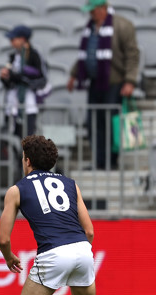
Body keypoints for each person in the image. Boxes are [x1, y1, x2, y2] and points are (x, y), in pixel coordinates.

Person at [0, 135, 124, 295]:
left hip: (54, 253)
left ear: (27, 160)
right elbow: (89, 231)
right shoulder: (70, 184)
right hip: (82, 250)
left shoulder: (17, 189)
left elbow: (3, 239)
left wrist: (9, 257)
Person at [67, 0, 140, 170]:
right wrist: (74, 74)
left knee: (110, 124)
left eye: (93, 10)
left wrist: (130, 80)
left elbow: (132, 55)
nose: (90, 14)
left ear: (102, 8)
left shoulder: (122, 26)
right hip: (95, 83)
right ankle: (99, 161)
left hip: (114, 83)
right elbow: (86, 55)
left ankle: (111, 161)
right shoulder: (90, 27)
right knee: (93, 123)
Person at [0, 25, 49, 138]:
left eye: (13, 39)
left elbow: (42, 80)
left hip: (28, 105)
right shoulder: (13, 56)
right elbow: (10, 83)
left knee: (27, 140)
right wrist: (5, 78)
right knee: (13, 140)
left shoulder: (35, 55)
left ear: (22, 39)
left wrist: (20, 78)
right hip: (13, 105)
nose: (11, 42)